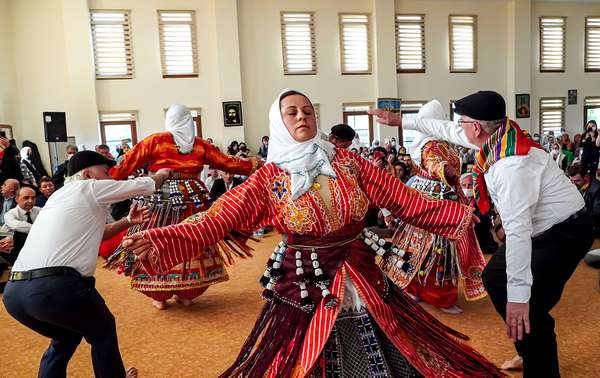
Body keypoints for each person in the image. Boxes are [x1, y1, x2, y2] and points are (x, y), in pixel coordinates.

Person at [123, 89, 502, 377]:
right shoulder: (269, 178)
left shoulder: (349, 162)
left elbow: (403, 199)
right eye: (292, 113)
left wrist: (460, 215)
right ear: (280, 122)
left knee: (386, 331)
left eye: (307, 111)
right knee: (308, 348)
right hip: (306, 275)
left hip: (359, 265)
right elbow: (217, 218)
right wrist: (161, 237)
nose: (302, 116)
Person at [371, 90, 594, 377]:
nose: (458, 127)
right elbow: (445, 128)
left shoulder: (511, 165)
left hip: (565, 233)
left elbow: (518, 235)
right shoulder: (498, 134)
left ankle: (539, 365)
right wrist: (399, 120)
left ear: (476, 127)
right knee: (494, 278)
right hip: (540, 228)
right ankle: (528, 347)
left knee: (529, 306)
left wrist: (517, 297)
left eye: (462, 122)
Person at [3, 150, 171, 378]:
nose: (110, 177)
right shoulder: (88, 187)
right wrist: (163, 172)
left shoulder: (59, 197)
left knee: (67, 335)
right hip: (55, 288)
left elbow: (98, 233)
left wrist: (129, 221)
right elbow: (146, 184)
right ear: (87, 173)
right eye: (105, 171)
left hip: (15, 295)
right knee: (103, 332)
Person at [106, 103, 258, 310]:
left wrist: (102, 179)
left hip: (159, 197)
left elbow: (124, 166)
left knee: (154, 239)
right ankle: (188, 292)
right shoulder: (200, 145)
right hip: (194, 198)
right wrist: (254, 163)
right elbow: (228, 163)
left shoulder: (155, 141)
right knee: (194, 241)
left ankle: (158, 295)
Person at [382, 100, 487, 315]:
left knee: (424, 248)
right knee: (436, 250)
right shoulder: (429, 145)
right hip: (438, 204)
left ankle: (421, 290)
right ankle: (436, 295)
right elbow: (433, 162)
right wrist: (444, 170)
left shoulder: (436, 142)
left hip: (434, 200)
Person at [569, 163, 600, 236]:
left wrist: (576, 213)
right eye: (571, 180)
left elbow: (597, 215)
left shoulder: (597, 190)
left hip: (593, 227)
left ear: (586, 177)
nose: (573, 184)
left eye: (577, 181)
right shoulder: (579, 185)